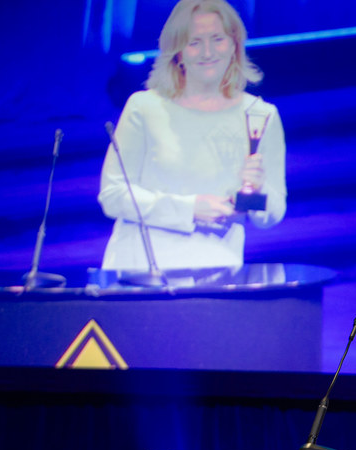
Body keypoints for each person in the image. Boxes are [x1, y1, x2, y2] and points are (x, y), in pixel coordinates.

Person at [98, 0, 286, 272]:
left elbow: (272, 213)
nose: (207, 52)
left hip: (219, 272)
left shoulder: (260, 115)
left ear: (234, 44)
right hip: (140, 272)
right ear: (177, 52)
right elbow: (113, 195)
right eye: (194, 42)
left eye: (217, 39)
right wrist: (189, 208)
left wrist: (258, 192)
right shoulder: (144, 107)